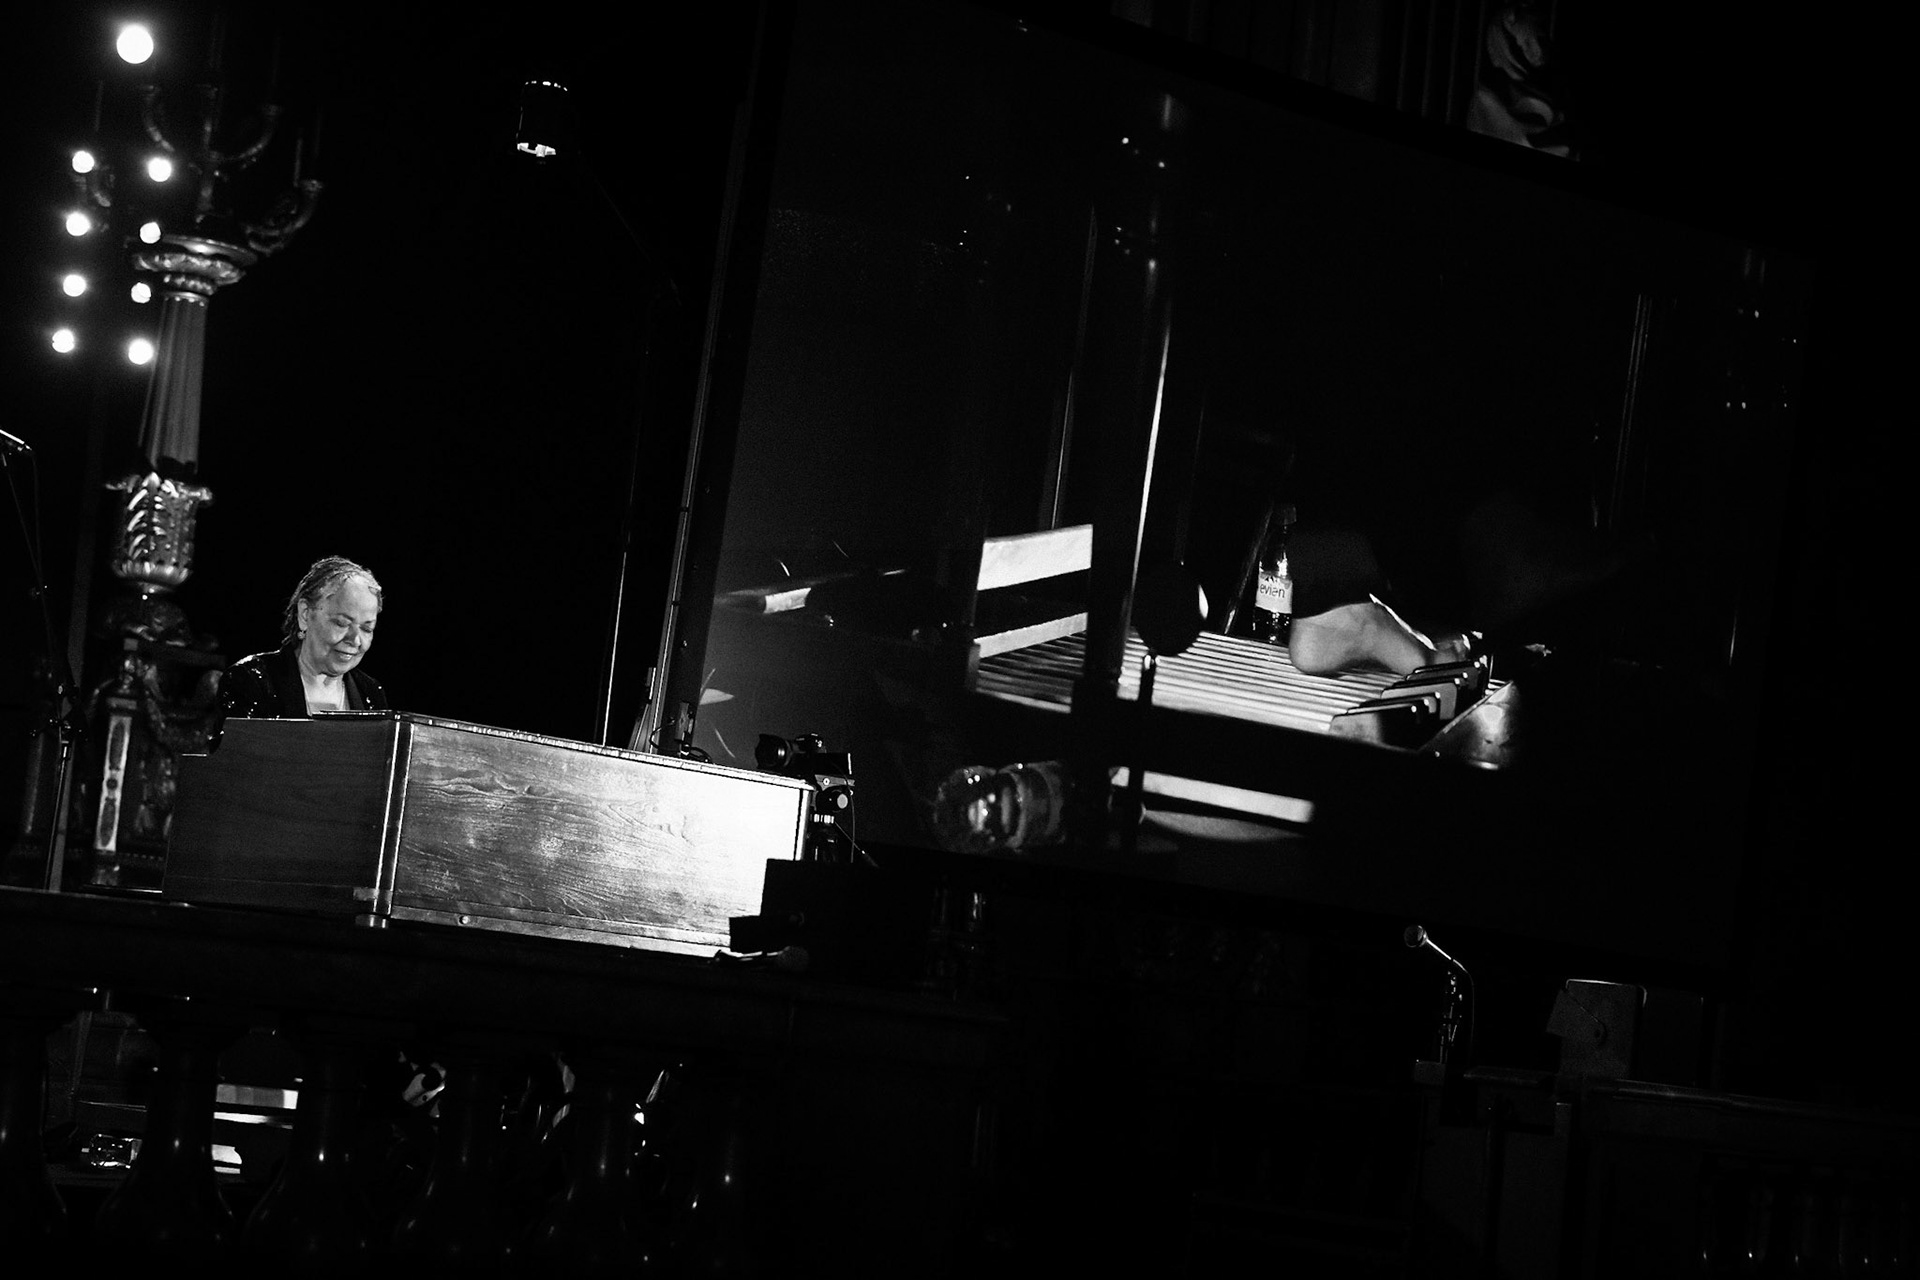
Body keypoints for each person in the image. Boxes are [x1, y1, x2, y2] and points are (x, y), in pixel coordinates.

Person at [220, 555, 389, 718]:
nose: (355, 640)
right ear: (305, 614)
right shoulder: (252, 681)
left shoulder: (370, 693)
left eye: (367, 629)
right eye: (341, 623)